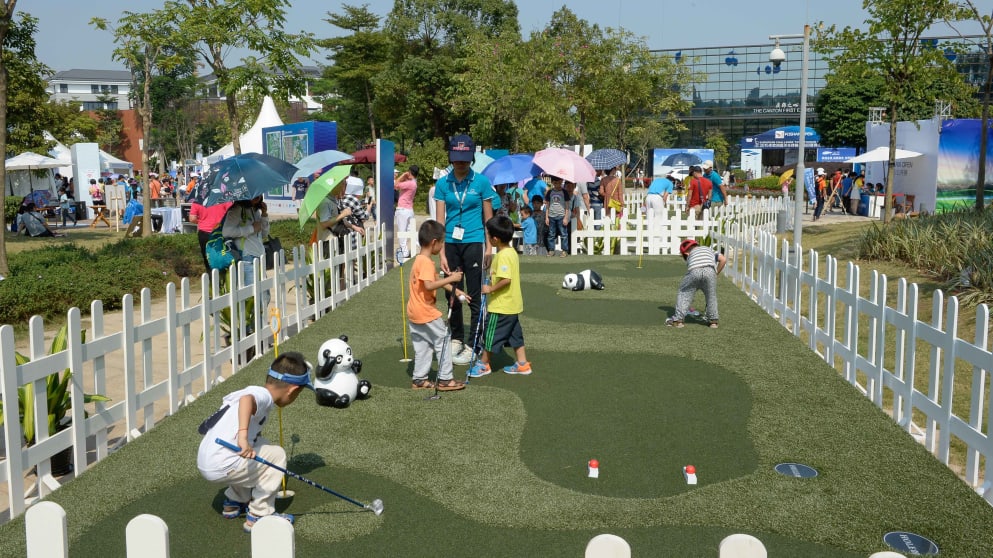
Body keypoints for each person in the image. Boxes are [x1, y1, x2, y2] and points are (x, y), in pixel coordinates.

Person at [196, 351, 312, 532]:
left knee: (259, 444)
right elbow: (246, 400)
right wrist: (242, 437)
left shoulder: (252, 390)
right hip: (222, 463)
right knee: (277, 455)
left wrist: (245, 439)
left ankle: (234, 502)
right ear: (292, 390)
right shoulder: (261, 396)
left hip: (208, 459)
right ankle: (259, 514)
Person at [434, 134, 495, 366]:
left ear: (471, 158)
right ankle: (457, 338)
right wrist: (440, 252)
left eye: (465, 159)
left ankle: (474, 343)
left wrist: (489, 247)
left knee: (475, 293)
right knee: (452, 291)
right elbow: (440, 221)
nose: (461, 163)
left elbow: (488, 218)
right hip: (450, 242)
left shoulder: (480, 182)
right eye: (457, 158)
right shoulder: (443, 183)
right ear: (451, 157)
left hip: (474, 241)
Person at [407, 220, 468, 392]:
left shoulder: (419, 259)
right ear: (434, 242)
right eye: (442, 243)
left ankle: (419, 379)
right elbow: (428, 285)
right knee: (443, 339)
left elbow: (432, 282)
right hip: (425, 311)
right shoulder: (426, 262)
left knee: (423, 346)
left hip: (414, 312)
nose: (442, 247)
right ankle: (445, 379)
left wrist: (456, 291)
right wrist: (452, 279)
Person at [468, 216, 531, 378]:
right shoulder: (511, 252)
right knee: (515, 335)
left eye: (488, 235)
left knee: (490, 335)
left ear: (495, 239)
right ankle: (522, 364)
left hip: (501, 306)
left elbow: (506, 279)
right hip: (512, 305)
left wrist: (490, 289)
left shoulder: (503, 256)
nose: (487, 238)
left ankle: (483, 364)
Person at [665, 238, 726, 329]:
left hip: (694, 270)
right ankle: (713, 321)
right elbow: (723, 260)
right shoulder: (708, 249)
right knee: (711, 295)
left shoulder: (690, 255)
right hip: (710, 271)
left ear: (686, 253)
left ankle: (679, 321)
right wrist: (716, 273)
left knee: (684, 292)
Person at [222, 196, 270, 309]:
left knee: (265, 296)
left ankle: (258, 324)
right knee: (252, 299)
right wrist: (251, 229)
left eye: (258, 194)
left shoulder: (255, 210)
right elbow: (226, 232)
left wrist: (264, 215)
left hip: (259, 256)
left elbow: (264, 234)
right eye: (253, 195)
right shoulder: (237, 209)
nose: (256, 197)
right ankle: (252, 326)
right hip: (247, 257)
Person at [190, 199, 233, 274]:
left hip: (204, 232)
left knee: (208, 259)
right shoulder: (223, 198)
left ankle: (212, 280)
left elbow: (192, 218)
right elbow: (231, 213)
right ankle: (223, 278)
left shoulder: (198, 200)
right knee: (223, 256)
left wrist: (202, 221)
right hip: (219, 231)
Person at [395, 165, 419, 258]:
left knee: (402, 231)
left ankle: (404, 251)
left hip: (403, 209)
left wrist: (402, 175)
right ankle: (421, 244)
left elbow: (396, 185)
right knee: (411, 230)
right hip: (409, 209)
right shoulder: (414, 182)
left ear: (410, 172)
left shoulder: (409, 183)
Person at [544, 175, 571, 257]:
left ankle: (564, 250)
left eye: (559, 182)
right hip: (551, 216)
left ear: (561, 182)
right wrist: (546, 217)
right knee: (551, 234)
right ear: (552, 183)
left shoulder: (564, 192)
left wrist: (566, 217)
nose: (557, 184)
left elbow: (567, 206)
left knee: (564, 234)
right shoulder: (549, 192)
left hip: (561, 216)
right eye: (555, 183)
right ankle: (551, 250)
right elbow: (547, 206)